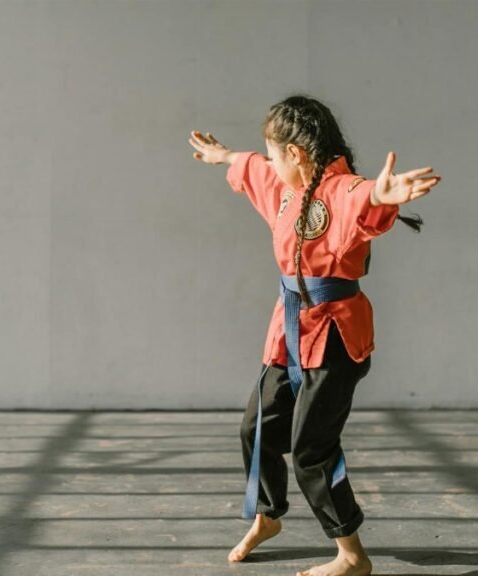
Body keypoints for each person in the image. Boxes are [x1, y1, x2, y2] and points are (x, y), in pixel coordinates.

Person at [188, 95, 439, 576]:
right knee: (256, 429)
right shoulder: (283, 188)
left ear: (297, 155)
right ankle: (268, 515)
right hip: (288, 330)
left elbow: (362, 199)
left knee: (310, 450)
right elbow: (254, 167)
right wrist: (223, 157)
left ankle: (351, 554)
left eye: (276, 153)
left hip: (335, 337)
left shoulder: (341, 190)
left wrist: (384, 196)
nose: (271, 163)